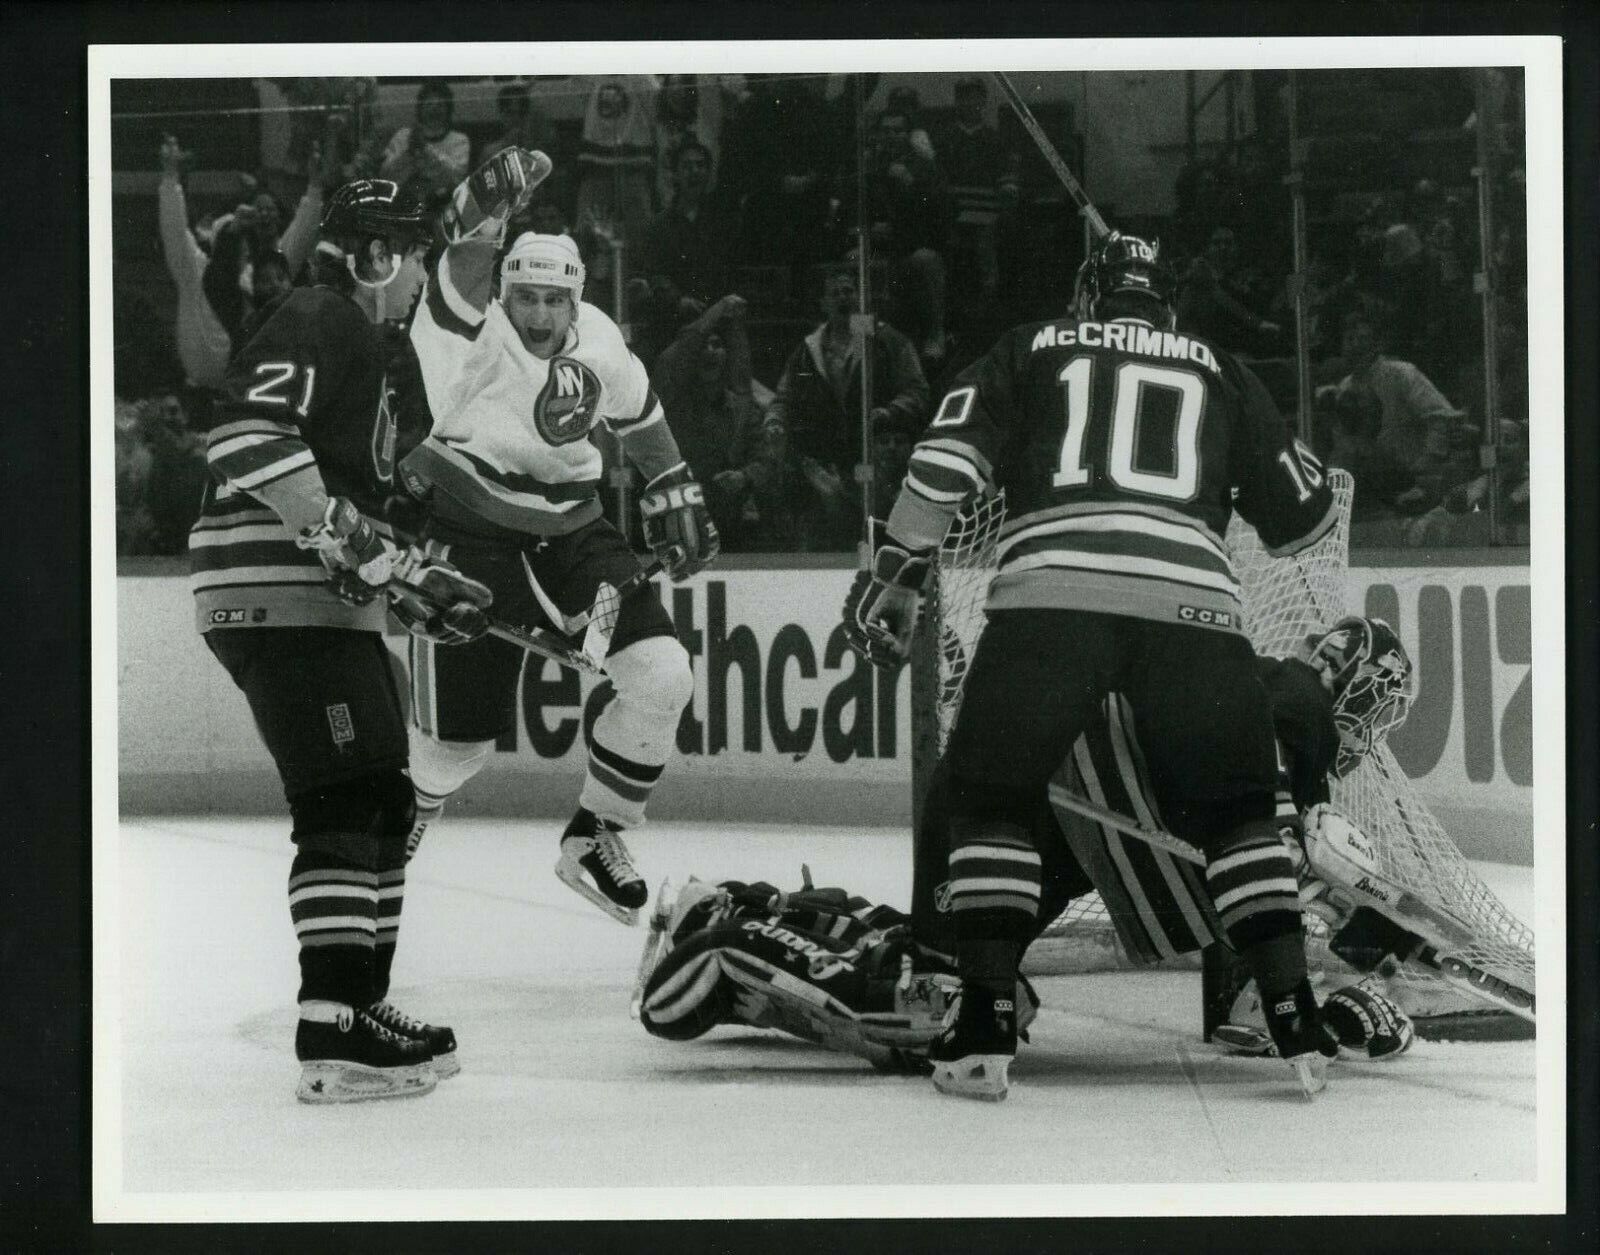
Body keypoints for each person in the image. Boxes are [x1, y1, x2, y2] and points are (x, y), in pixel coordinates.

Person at [841, 233, 1342, 1101]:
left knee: (991, 798)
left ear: (1087, 298)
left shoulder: (1033, 345)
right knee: (1239, 816)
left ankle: (985, 1024)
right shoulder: (1221, 368)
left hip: (1051, 595)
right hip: (1194, 610)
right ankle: (1294, 1012)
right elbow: (1299, 520)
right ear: (1167, 308)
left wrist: (898, 573)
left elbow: (942, 462)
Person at [636, 618, 1419, 1073]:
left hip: (1042, 818)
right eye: (1378, 707)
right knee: (942, 1002)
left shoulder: (1265, 710)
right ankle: (729, 947)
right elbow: (1257, 838)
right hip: (1007, 806)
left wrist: (1334, 973)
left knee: (958, 979)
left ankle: (751, 905)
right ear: (1353, 686)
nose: (1371, 733)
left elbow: (1244, 993)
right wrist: (1330, 992)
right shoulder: (1299, 706)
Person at [187, 178, 495, 1103]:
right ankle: (332, 1022)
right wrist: (338, 531)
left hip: (318, 603)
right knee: (346, 796)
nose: (418, 283)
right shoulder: (324, 313)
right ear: (374, 254)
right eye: (412, 258)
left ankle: (363, 1005)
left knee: (385, 802)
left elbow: (350, 517)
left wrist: (411, 578)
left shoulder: (361, 344)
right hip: (276, 597)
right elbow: (242, 436)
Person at [399, 148, 718, 924]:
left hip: (573, 537)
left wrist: (672, 481)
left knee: (662, 672)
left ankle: (596, 831)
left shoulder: (599, 339)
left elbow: (638, 411)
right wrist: (484, 208)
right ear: (504, 294)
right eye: (525, 296)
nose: (539, 315)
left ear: (576, 303)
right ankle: (407, 809)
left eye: (553, 300)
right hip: (466, 539)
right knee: (453, 752)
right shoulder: (467, 333)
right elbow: (456, 273)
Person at [765, 266, 928, 551]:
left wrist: (889, 412)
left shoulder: (888, 341)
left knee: (872, 532)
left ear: (861, 298)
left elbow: (918, 391)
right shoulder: (807, 350)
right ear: (824, 303)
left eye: (849, 291)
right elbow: (782, 398)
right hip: (824, 463)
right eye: (835, 293)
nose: (843, 298)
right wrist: (774, 421)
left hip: (873, 462)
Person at [651, 292, 778, 549]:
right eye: (703, 346)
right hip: (680, 523)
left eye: (717, 345)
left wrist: (744, 477)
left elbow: (765, 459)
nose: (710, 352)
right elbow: (682, 351)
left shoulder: (741, 407)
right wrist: (717, 310)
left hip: (731, 524)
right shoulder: (672, 399)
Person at [380, 81, 472, 210]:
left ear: (448, 109)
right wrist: (408, 153)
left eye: (440, 105)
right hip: (402, 205)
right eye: (429, 104)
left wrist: (426, 149)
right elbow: (386, 177)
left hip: (443, 207)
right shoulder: (402, 136)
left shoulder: (459, 140)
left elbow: (456, 178)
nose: (434, 109)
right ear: (420, 108)